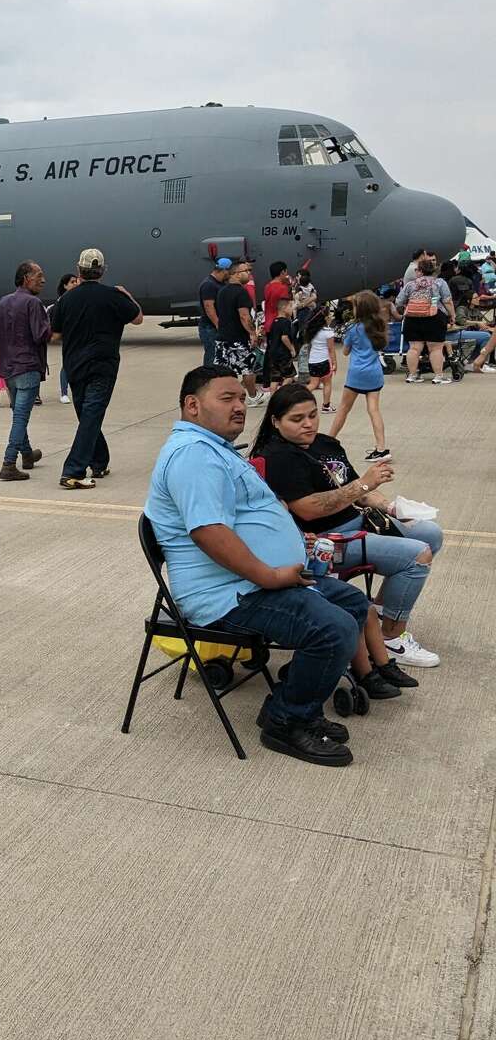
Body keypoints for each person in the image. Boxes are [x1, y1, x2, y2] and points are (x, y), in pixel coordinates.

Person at [144, 366, 373, 765]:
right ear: (192, 406)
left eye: (241, 398)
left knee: (351, 606)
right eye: (226, 398)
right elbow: (208, 532)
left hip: (251, 582)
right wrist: (270, 574)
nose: (240, 406)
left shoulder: (213, 447)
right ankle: (287, 721)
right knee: (333, 627)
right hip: (227, 595)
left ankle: (294, 696)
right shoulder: (193, 457)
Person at [254, 382, 442, 668]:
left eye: (313, 415)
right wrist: (365, 483)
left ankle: (381, 609)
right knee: (417, 555)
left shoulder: (326, 444)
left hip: (358, 522)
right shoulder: (277, 457)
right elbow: (309, 509)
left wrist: (389, 506)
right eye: (297, 419)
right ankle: (391, 637)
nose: (308, 424)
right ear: (275, 422)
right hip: (325, 542)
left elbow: (356, 488)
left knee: (430, 533)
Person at [49, 247, 143, 489]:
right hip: (103, 363)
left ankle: (99, 461)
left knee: (87, 414)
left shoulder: (65, 300)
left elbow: (55, 335)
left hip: (75, 365)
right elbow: (137, 318)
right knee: (92, 414)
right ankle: (74, 471)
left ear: (79, 270)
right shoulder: (113, 296)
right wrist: (127, 295)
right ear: (102, 270)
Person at [0, 261, 51, 481]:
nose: (43, 280)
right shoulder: (34, 303)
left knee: (18, 413)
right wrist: (55, 326)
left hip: (7, 369)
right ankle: (9, 463)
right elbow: (41, 335)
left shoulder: (3, 302)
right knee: (20, 418)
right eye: (39, 275)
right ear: (26, 278)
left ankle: (27, 455)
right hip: (27, 367)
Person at [327, 293, 390, 459]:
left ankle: (329, 441)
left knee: (343, 409)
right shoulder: (379, 326)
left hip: (357, 374)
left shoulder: (354, 329)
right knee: (374, 409)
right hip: (374, 373)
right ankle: (381, 448)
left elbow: (346, 352)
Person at [396, 255, 454, 384]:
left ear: (421, 271)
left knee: (414, 348)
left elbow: (399, 301)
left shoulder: (410, 285)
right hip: (434, 317)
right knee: (436, 348)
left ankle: (412, 375)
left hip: (412, 317)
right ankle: (438, 376)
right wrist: (452, 315)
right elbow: (447, 301)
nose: (416, 271)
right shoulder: (440, 283)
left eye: (417, 269)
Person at [212, 261, 261, 403]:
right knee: (247, 368)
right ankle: (252, 396)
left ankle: (221, 396)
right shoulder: (241, 292)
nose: (249, 274)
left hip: (222, 337)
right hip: (238, 338)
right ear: (236, 274)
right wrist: (252, 333)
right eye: (246, 271)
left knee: (223, 369)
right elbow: (244, 316)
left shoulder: (222, 291)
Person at [196, 257, 231, 368]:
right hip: (210, 327)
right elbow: (209, 306)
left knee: (220, 357)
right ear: (224, 270)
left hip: (216, 326)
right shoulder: (209, 285)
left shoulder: (219, 283)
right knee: (212, 356)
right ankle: (208, 380)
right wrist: (218, 324)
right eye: (229, 271)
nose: (230, 274)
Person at [301, 305, 337, 411]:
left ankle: (299, 399)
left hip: (312, 361)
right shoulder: (328, 332)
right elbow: (331, 349)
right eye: (329, 314)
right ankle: (326, 406)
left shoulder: (311, 332)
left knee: (313, 384)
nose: (331, 316)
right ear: (325, 318)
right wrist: (334, 363)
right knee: (327, 383)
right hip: (324, 361)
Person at [51, 272, 79, 396]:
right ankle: (64, 393)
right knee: (67, 365)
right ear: (65, 286)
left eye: (76, 281)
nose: (76, 284)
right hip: (69, 338)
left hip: (80, 337)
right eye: (72, 282)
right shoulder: (61, 302)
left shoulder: (79, 298)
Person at [262, 294, 297, 389]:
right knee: (290, 376)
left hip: (273, 353)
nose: (292, 309)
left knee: (275, 378)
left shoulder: (274, 322)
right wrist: (292, 349)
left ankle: (273, 396)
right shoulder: (286, 322)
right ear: (284, 308)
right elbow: (284, 337)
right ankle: (281, 391)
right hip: (283, 354)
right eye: (290, 306)